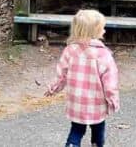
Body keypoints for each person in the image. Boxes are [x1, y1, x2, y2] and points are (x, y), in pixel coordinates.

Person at [45, 9, 120, 147]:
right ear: (94, 31)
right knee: (98, 130)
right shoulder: (103, 54)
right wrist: (112, 99)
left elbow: (62, 75)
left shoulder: (70, 51)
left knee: (77, 130)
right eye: (102, 28)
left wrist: (54, 88)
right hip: (96, 103)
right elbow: (110, 81)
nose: (104, 31)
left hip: (77, 103)